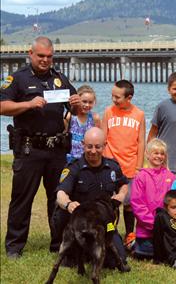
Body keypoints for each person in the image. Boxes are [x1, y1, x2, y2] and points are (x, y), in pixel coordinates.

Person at [0, 36, 81, 258]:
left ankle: (58, 245)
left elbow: (74, 107)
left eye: (49, 56)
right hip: (29, 149)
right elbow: (2, 106)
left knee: (58, 198)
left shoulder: (60, 79)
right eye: (41, 56)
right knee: (22, 199)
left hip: (56, 149)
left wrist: (76, 104)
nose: (45, 60)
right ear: (31, 54)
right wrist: (28, 103)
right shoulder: (17, 79)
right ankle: (14, 247)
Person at [53, 127, 128, 267]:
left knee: (117, 261)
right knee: (71, 262)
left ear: (104, 145)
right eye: (89, 146)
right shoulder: (73, 168)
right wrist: (68, 204)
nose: (93, 151)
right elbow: (60, 194)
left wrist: (122, 194)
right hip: (80, 225)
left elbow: (123, 184)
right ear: (83, 144)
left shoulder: (113, 167)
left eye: (98, 147)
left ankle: (92, 251)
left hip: (103, 225)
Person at [102, 79, 145, 244]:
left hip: (130, 166)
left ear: (129, 97)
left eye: (117, 97)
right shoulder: (108, 112)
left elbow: (141, 141)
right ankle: (110, 234)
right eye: (112, 96)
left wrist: (139, 166)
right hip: (110, 165)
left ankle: (129, 234)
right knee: (110, 203)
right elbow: (103, 137)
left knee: (129, 203)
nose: (114, 99)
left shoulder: (139, 114)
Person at [130, 138, 176, 259]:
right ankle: (134, 243)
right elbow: (137, 204)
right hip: (145, 232)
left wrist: (165, 224)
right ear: (147, 154)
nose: (159, 156)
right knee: (146, 255)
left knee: (166, 256)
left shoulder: (171, 177)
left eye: (162, 153)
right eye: (156, 153)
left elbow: (174, 202)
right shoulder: (141, 176)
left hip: (166, 230)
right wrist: (154, 224)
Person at [147, 72, 176, 173]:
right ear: (169, 89)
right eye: (175, 89)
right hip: (164, 163)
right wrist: (150, 157)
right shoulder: (162, 107)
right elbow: (152, 134)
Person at [65, 84, 101, 163]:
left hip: (87, 160)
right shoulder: (70, 116)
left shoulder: (95, 118)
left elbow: (99, 140)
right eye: (84, 102)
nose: (87, 105)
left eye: (90, 102)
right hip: (69, 158)